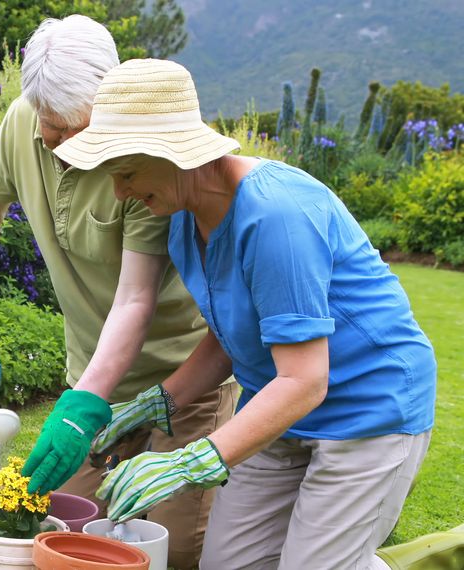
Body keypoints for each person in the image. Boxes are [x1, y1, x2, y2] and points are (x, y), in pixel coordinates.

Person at [53, 58, 437, 569]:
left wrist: (191, 462)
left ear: (172, 154)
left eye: (125, 173)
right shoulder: (181, 217)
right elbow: (233, 335)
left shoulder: (276, 215)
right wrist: (156, 403)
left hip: (367, 413)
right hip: (276, 414)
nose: (120, 192)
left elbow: (304, 380)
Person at [0, 16, 236, 568]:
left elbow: (135, 298)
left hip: (183, 379)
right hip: (93, 376)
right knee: (63, 532)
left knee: (174, 550)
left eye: (86, 129)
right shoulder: (22, 122)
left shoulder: (140, 160)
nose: (74, 144)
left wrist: (81, 406)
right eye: (57, 127)